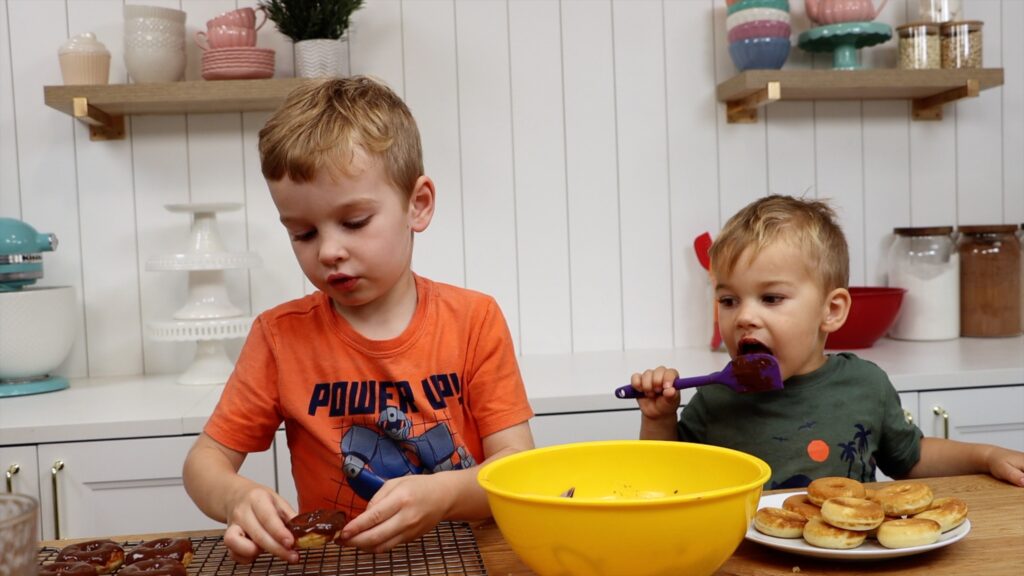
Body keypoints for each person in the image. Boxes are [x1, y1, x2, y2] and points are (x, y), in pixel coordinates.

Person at [182, 76, 535, 564]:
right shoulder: (280, 336)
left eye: (354, 223)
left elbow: (516, 467)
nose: (329, 251)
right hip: (337, 563)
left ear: (418, 204)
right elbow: (204, 462)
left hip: (464, 559)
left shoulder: (475, 320)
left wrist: (442, 495)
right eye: (303, 233)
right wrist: (235, 498)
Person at [627, 194, 1024, 490]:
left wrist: (986, 456)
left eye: (771, 298)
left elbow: (912, 459)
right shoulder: (715, 399)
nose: (744, 316)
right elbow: (665, 478)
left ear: (831, 310)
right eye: (729, 300)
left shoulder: (866, 386)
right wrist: (659, 418)